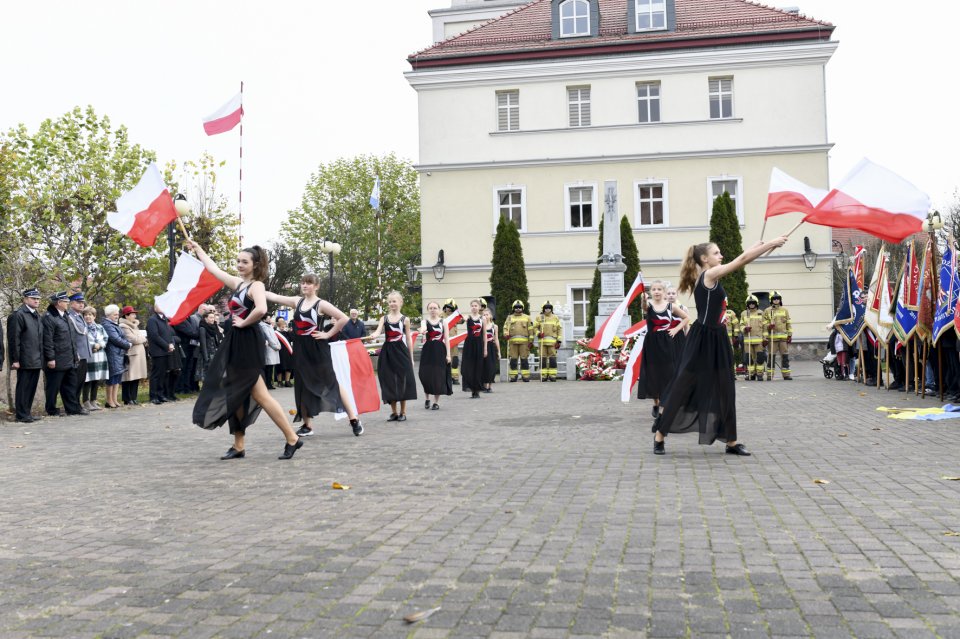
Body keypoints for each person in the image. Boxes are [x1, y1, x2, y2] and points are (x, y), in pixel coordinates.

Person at [653, 235, 788, 456]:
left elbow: (741, 257)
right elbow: (741, 260)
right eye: (716, 253)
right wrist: (771, 244)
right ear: (705, 259)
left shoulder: (710, 273)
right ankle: (659, 435)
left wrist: (760, 245)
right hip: (702, 339)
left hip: (718, 338)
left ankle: (731, 441)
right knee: (683, 385)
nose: (721, 256)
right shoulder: (709, 274)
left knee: (726, 389)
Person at [186, 240, 305, 460]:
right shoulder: (238, 284)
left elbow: (261, 309)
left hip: (247, 341)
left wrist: (243, 322)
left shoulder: (256, 285)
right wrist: (198, 249)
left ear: (255, 265)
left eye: (244, 262)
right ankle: (239, 445)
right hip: (235, 341)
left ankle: (292, 438)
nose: (239, 265)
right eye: (238, 261)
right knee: (236, 394)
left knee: (260, 394)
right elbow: (213, 269)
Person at [265, 274, 363, 436]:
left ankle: (354, 419)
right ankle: (307, 425)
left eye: (309, 283)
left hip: (317, 348)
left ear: (316, 286)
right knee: (302, 384)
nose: (304, 285)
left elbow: (343, 318)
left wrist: (327, 334)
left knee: (332, 382)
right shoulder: (297, 301)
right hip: (301, 348)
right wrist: (256, 288)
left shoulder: (321, 304)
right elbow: (274, 296)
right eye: (303, 282)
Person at [636, 280, 689, 417]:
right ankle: (656, 402)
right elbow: (644, 307)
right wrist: (643, 299)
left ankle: (665, 409)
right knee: (653, 375)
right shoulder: (648, 305)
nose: (657, 291)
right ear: (651, 292)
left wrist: (676, 329)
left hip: (666, 343)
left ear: (664, 292)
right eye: (654, 289)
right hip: (652, 344)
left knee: (668, 374)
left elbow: (686, 318)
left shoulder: (671, 306)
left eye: (659, 289)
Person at [364, 290, 418, 421]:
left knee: (402, 380)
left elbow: (409, 339)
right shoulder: (384, 318)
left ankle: (403, 412)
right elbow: (377, 332)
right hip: (388, 352)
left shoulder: (405, 320)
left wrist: (411, 357)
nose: (392, 304)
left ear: (400, 302)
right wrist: (372, 336)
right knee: (389, 381)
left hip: (401, 352)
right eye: (389, 302)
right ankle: (394, 412)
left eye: (394, 301)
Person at [42, 291, 86, 416]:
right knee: (53, 386)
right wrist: (50, 358)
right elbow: (48, 340)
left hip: (69, 358)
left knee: (70, 385)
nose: (67, 303)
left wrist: (75, 353)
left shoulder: (66, 316)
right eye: (65, 301)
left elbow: (71, 337)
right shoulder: (49, 317)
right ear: (58, 303)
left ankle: (72, 408)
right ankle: (51, 409)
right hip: (57, 358)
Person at [7, 288, 44, 423]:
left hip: (36, 357)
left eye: (38, 298)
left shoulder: (36, 315)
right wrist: (15, 359)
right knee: (23, 387)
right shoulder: (18, 315)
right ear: (25, 299)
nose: (36, 300)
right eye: (33, 298)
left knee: (31, 387)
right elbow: (14, 339)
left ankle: (27, 412)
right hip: (24, 358)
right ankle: (21, 414)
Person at [418, 301, 453, 409]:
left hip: (440, 350)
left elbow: (447, 339)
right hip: (428, 350)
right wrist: (422, 330)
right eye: (430, 308)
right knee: (424, 374)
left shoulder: (444, 322)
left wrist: (448, 355)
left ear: (438, 309)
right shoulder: (424, 321)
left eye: (435, 308)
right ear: (428, 310)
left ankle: (436, 402)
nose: (433, 310)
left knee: (438, 375)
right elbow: (423, 328)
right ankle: (427, 398)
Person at [102, 305, 131, 409]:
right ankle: (109, 401)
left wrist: (126, 343)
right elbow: (115, 338)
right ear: (108, 315)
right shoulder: (107, 325)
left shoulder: (114, 324)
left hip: (119, 353)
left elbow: (122, 337)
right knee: (112, 377)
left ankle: (115, 399)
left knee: (118, 377)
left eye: (117, 314)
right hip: (112, 353)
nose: (117, 316)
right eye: (115, 314)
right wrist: (128, 344)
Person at [66, 292, 91, 411]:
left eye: (82, 302)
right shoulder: (69, 316)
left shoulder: (79, 316)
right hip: (77, 355)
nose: (81, 305)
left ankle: (77, 404)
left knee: (80, 381)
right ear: (71, 303)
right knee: (75, 382)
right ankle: (73, 405)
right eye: (78, 302)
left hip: (84, 353)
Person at [147, 306, 176, 405]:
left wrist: (172, 343)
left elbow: (170, 334)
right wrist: (167, 345)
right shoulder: (152, 320)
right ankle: (153, 396)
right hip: (158, 351)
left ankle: (161, 394)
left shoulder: (165, 319)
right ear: (154, 308)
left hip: (166, 350)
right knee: (156, 374)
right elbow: (155, 336)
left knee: (164, 374)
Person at [460, 298, 489, 398]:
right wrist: (461, 319)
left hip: (479, 344)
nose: (474, 307)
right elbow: (459, 321)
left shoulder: (483, 319)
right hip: (469, 344)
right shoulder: (467, 317)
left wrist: (485, 349)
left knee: (478, 367)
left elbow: (485, 334)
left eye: (476, 306)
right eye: (472, 306)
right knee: (468, 366)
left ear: (479, 307)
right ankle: (471, 387)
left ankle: (477, 390)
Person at [82, 306, 109, 411]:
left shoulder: (99, 327)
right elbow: (82, 341)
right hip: (89, 356)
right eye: (86, 315)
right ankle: (85, 401)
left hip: (100, 355)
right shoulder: (83, 327)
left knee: (96, 379)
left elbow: (105, 338)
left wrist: (100, 345)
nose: (88, 317)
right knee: (87, 380)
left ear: (94, 316)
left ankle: (93, 400)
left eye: (90, 315)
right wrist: (93, 345)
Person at [119, 306, 148, 405]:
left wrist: (141, 338)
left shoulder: (134, 325)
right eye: (132, 314)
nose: (134, 316)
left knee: (136, 377)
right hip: (131, 354)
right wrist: (142, 338)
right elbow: (134, 339)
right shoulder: (123, 326)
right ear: (126, 316)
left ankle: (134, 397)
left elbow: (139, 337)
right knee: (128, 378)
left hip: (139, 354)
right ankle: (127, 398)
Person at [762, 290, 793, 380]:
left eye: (777, 299)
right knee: (771, 356)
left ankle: (786, 374)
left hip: (783, 338)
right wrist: (769, 326)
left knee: (785, 356)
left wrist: (790, 335)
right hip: (772, 338)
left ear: (780, 300)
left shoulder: (785, 310)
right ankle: (770, 375)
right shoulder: (767, 311)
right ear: (771, 300)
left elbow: (788, 323)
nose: (776, 300)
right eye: (774, 299)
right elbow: (764, 325)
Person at [503, 300, 534, 382]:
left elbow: (530, 329)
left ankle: (526, 376)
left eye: (520, 307)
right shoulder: (509, 317)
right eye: (516, 307)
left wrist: (531, 341)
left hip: (524, 343)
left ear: (522, 308)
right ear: (513, 308)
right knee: (513, 360)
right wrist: (506, 334)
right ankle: (513, 376)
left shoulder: (527, 317)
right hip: (513, 343)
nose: (518, 309)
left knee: (524, 360)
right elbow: (505, 327)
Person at [173, 307, 201, 394]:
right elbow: (190, 332)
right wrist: (200, 333)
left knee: (188, 368)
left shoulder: (188, 318)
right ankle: (180, 388)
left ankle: (186, 387)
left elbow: (192, 330)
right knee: (183, 368)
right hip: (183, 347)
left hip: (190, 346)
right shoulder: (179, 320)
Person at [534, 301, 562, 382]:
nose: (547, 309)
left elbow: (559, 329)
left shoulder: (555, 317)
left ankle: (552, 375)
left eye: (549, 308)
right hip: (542, 342)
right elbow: (535, 327)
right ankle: (543, 375)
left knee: (552, 359)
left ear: (551, 309)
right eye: (546, 308)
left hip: (552, 342)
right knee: (543, 359)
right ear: (543, 309)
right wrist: (538, 333)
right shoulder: (539, 317)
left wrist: (559, 341)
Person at [740, 295, 765, 381]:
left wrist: (765, 338)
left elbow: (764, 327)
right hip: (748, 341)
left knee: (760, 358)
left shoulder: (761, 313)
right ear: (747, 304)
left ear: (756, 304)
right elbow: (741, 325)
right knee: (749, 358)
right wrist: (744, 329)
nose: (751, 305)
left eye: (753, 303)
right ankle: (751, 374)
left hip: (759, 341)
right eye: (749, 303)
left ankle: (760, 374)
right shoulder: (744, 313)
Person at [197, 309, 223, 385]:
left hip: (214, 352)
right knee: (206, 373)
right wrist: (206, 358)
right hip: (207, 353)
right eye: (211, 317)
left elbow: (217, 340)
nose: (213, 319)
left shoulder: (214, 327)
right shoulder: (202, 328)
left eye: (213, 317)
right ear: (205, 318)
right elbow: (203, 343)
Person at [443, 300, 462, 382]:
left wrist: (457, 311)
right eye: (448, 307)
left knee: (454, 359)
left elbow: (462, 320)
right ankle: (446, 376)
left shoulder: (455, 316)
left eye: (451, 308)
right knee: (445, 359)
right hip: (444, 341)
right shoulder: (441, 316)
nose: (449, 309)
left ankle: (455, 378)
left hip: (454, 341)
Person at [482, 307, 501, 392]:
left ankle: (489, 386)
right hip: (483, 347)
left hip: (491, 347)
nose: (485, 316)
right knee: (484, 367)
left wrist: (499, 352)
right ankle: (484, 385)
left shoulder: (494, 326)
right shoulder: (481, 326)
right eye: (484, 315)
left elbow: (496, 339)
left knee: (491, 367)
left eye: (487, 314)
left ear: (490, 316)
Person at [722, 297, 741, 378]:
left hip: (729, 339)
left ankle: (732, 373)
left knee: (730, 355)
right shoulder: (715, 312)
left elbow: (736, 324)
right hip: (718, 339)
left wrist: (736, 335)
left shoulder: (730, 313)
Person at [260, 315, 281, 390]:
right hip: (270, 348)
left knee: (271, 367)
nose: (270, 319)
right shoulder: (264, 326)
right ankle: (267, 384)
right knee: (268, 367)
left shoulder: (269, 326)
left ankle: (269, 383)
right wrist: (275, 346)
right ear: (264, 319)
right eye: (269, 318)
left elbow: (274, 337)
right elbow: (268, 337)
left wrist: (279, 344)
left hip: (274, 348)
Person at [274, 317, 294, 387]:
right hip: (280, 352)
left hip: (288, 351)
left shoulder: (287, 332)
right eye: (282, 326)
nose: (283, 327)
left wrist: (289, 331)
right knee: (280, 367)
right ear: (278, 325)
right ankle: (279, 382)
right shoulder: (276, 332)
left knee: (289, 366)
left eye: (284, 326)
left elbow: (292, 339)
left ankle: (287, 381)